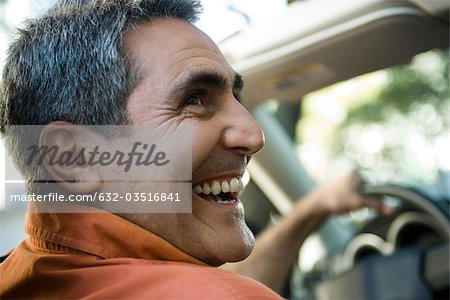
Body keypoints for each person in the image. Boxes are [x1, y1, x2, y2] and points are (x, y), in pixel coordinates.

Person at [0, 0, 388, 298]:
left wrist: (314, 207)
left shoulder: (25, 272)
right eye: (195, 99)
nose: (254, 136)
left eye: (238, 98)